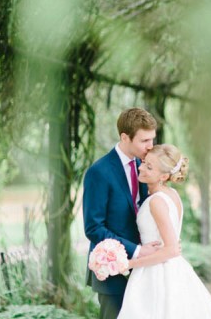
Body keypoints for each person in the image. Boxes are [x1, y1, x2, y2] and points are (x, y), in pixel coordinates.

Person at [118, 144, 211, 319]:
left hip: (156, 273)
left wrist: (129, 264)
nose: (140, 167)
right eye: (144, 162)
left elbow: (172, 249)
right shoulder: (172, 194)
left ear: (164, 176)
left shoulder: (156, 202)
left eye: (149, 167)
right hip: (173, 269)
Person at [83, 108, 161, 319]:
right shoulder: (98, 172)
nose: (150, 146)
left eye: (152, 139)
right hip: (113, 273)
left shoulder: (146, 167)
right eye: (144, 140)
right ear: (125, 137)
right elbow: (93, 228)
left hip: (146, 271)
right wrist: (136, 251)